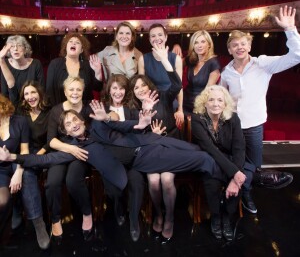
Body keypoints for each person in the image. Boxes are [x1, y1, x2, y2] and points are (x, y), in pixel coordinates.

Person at [0, 103, 246, 242]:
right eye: (68, 125)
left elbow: (122, 124)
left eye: (75, 120)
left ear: (82, 120)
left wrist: (136, 123)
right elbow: (47, 158)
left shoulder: (98, 123)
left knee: (197, 149)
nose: (74, 124)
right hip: (146, 158)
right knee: (202, 158)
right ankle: (238, 182)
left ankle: (233, 180)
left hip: (151, 139)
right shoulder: (77, 149)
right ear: (66, 132)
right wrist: (13, 157)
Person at [220, 5, 297, 214]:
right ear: (229, 49)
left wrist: (290, 29)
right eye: (234, 45)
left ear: (249, 45)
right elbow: (221, 100)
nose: (239, 47)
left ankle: (245, 194)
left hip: (254, 125)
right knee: (237, 164)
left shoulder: (263, 64)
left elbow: (296, 56)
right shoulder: (226, 73)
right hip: (233, 126)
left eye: (243, 44)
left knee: (254, 164)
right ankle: (241, 192)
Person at [129, 44, 182, 243]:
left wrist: (166, 61)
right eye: (136, 87)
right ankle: (158, 213)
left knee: (167, 181)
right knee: (153, 181)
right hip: (149, 149)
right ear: (133, 92)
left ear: (149, 86)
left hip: (170, 144)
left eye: (143, 86)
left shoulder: (164, 97)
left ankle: (169, 218)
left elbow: (176, 85)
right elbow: (134, 136)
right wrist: (151, 134)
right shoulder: (133, 109)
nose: (140, 89)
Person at [192, 85, 246, 241]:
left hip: (230, 159)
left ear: (225, 103)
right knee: (212, 182)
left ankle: (227, 218)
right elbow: (210, 149)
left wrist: (235, 177)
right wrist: (235, 173)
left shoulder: (233, 118)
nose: (216, 104)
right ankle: (215, 216)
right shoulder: (197, 119)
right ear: (205, 103)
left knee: (238, 183)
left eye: (220, 100)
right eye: (211, 100)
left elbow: (239, 148)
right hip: (209, 159)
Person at [46, 76, 94, 242]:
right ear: (65, 92)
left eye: (78, 89)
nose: (75, 93)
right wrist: (70, 148)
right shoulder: (56, 110)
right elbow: (51, 140)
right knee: (52, 182)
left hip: (81, 153)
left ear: (83, 91)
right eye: (71, 90)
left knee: (73, 181)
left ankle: (87, 213)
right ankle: (55, 219)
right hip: (62, 151)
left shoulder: (88, 109)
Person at [0, 94, 49, 249]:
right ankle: (14, 212)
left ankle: (38, 223)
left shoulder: (19, 121)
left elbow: (25, 152)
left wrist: (18, 172)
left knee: (27, 174)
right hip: (0, 169)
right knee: (2, 201)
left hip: (18, 162)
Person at [104, 74, 145, 241]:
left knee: (137, 182)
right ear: (109, 90)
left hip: (133, 158)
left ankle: (134, 221)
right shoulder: (102, 109)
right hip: (112, 160)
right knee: (114, 189)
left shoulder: (132, 109)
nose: (118, 92)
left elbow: (139, 131)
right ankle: (119, 208)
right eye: (114, 88)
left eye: (121, 88)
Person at [138, 23, 184, 127]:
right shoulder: (143, 59)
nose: (157, 38)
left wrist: (180, 109)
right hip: (152, 101)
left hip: (170, 100)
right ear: (149, 40)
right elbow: (141, 87)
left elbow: (179, 87)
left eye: (160, 35)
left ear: (166, 37)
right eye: (153, 36)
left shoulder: (176, 59)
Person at [46, 33, 103, 106]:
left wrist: (98, 72)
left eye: (77, 42)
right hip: (60, 111)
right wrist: (55, 112)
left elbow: (97, 88)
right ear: (66, 47)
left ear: (81, 50)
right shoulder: (55, 64)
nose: (73, 43)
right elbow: (49, 91)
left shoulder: (87, 65)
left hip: (84, 111)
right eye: (70, 41)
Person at [0, 35, 44, 106]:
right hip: (13, 106)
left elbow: (41, 89)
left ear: (25, 48)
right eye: (12, 46)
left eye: (19, 45)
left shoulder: (36, 63)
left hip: (33, 104)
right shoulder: (5, 64)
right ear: (8, 50)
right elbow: (4, 93)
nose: (15, 49)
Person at [183, 30, 220, 114]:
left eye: (203, 42)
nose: (199, 46)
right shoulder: (191, 59)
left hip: (201, 106)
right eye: (196, 42)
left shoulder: (213, 62)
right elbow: (175, 64)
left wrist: (198, 110)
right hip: (185, 102)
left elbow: (208, 91)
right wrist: (176, 45)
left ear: (209, 45)